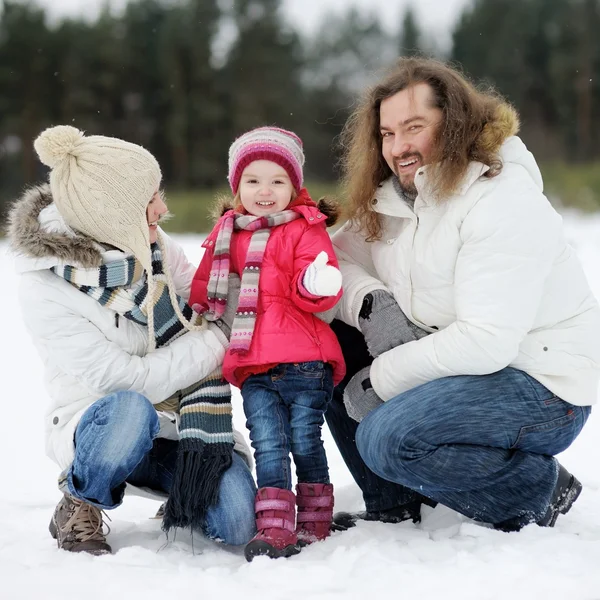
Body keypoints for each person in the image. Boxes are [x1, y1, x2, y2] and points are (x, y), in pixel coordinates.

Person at [325, 57, 600, 533]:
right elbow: (329, 261)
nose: (399, 148)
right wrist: (372, 302)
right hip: (465, 366)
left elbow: (486, 341)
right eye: (387, 133)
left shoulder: (499, 197)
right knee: (325, 337)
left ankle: (536, 488)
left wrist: (381, 379)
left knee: (388, 437)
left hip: (544, 382)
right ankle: (394, 503)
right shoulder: (393, 199)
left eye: (414, 127)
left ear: (453, 124)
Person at [7, 125, 257, 556]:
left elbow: (206, 305)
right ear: (114, 211)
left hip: (178, 425)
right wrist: (216, 341)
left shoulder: (153, 247)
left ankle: (183, 487)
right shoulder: (44, 285)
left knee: (237, 520)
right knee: (130, 409)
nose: (163, 207)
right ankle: (81, 496)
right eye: (151, 198)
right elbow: (127, 379)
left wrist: (250, 264)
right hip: (101, 424)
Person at [189, 126, 346, 560]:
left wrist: (316, 282)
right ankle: (275, 526)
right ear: (236, 186)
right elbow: (208, 281)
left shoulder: (304, 228)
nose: (265, 191)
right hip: (254, 363)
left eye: (277, 181)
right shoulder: (228, 234)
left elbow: (316, 285)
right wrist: (201, 303)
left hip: (304, 361)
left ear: (294, 186)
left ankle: (315, 517)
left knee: (304, 438)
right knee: (269, 442)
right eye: (253, 181)